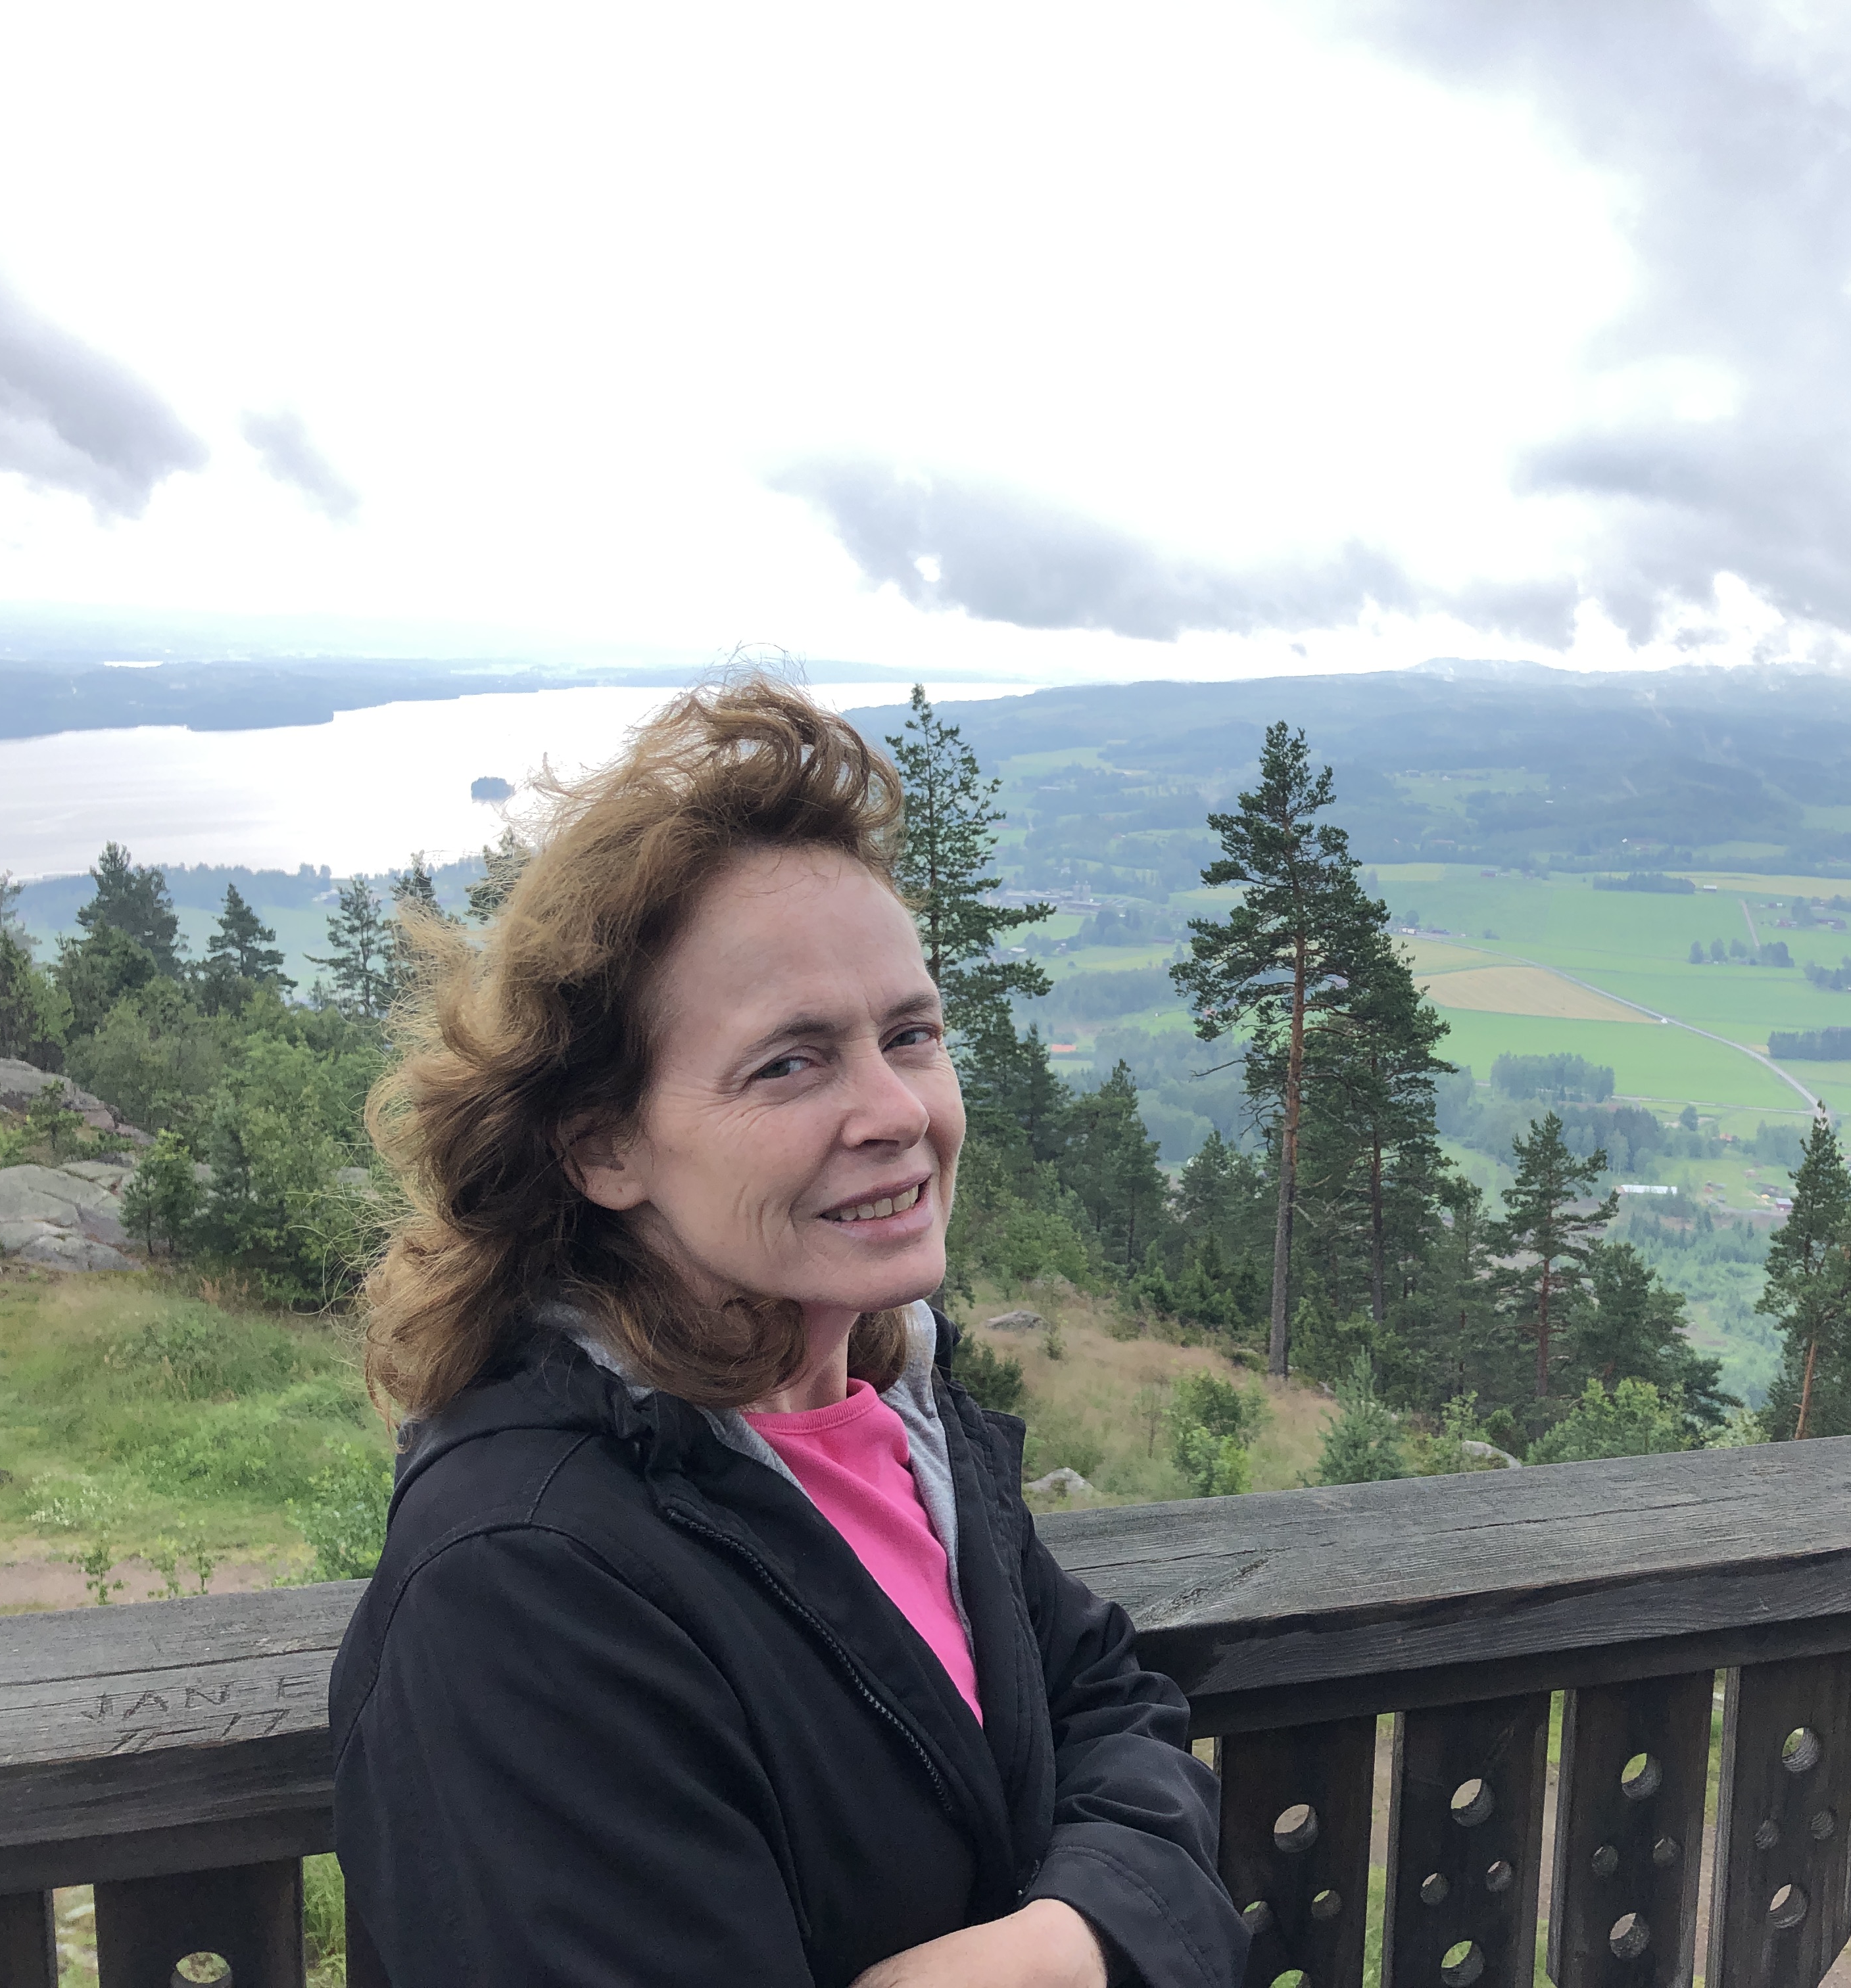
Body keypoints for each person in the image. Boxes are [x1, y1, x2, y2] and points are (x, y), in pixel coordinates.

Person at [330, 678, 1244, 1988]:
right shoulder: (522, 1584)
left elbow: (1107, 1702)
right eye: (791, 1062)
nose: (896, 1111)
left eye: (910, 1034)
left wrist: (1069, 1944)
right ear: (603, 1147)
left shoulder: (894, 1418)